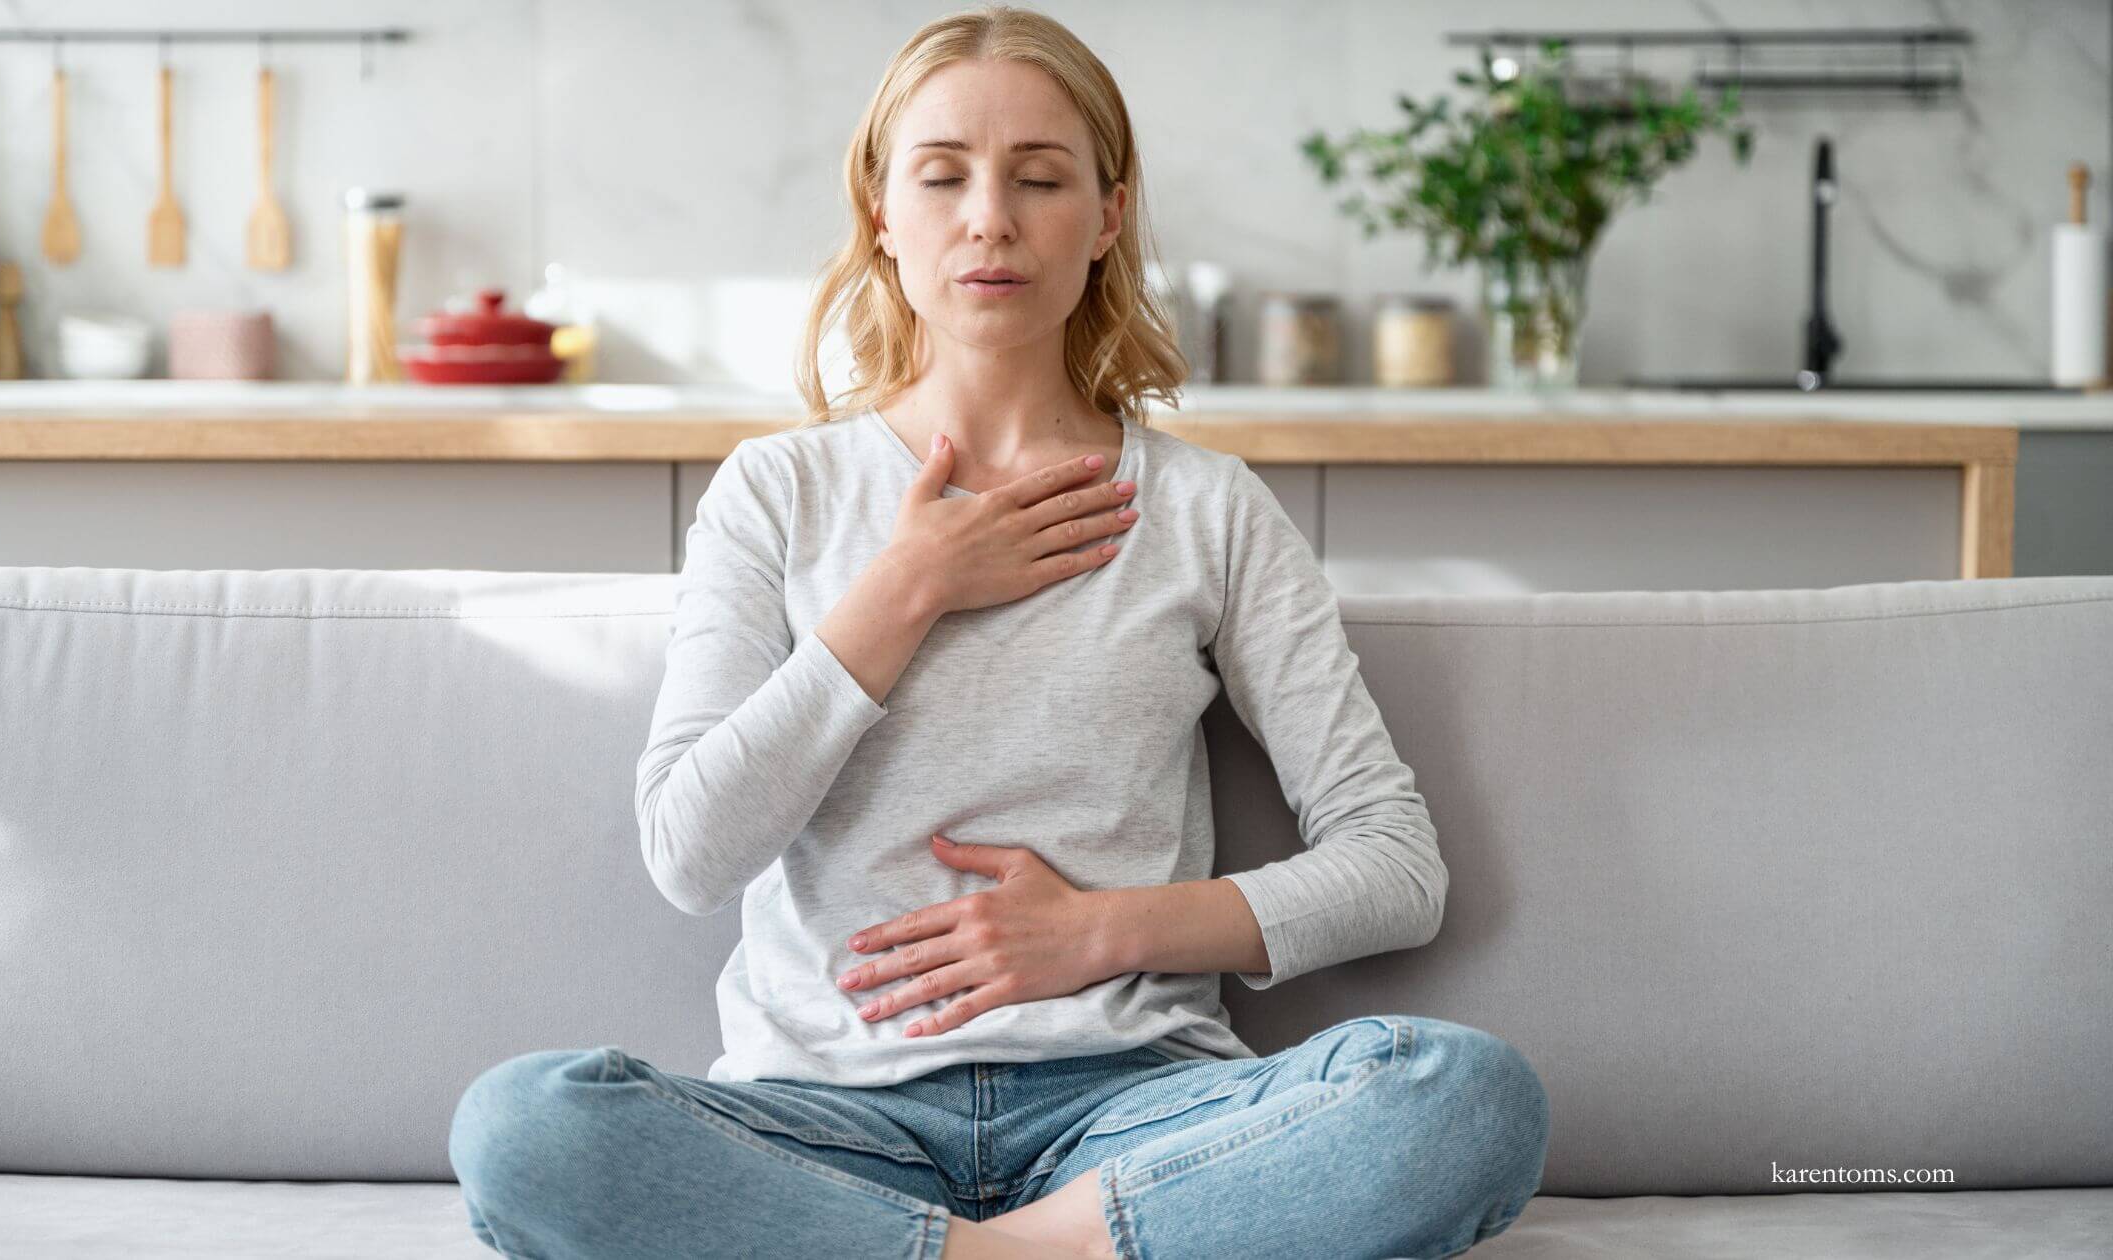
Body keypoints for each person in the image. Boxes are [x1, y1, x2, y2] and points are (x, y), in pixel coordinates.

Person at [449, 6, 1548, 1258]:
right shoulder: (777, 493)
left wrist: (1099, 930)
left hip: (1132, 1107)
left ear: (1106, 216)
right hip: (826, 1119)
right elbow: (690, 854)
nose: (989, 219)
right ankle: (1043, 1251)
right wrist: (904, 588)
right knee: (523, 1128)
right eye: (942, 176)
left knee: (1462, 1098)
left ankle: (973, 1246)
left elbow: (1394, 868)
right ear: (880, 212)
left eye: (1039, 178)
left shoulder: (1205, 509)